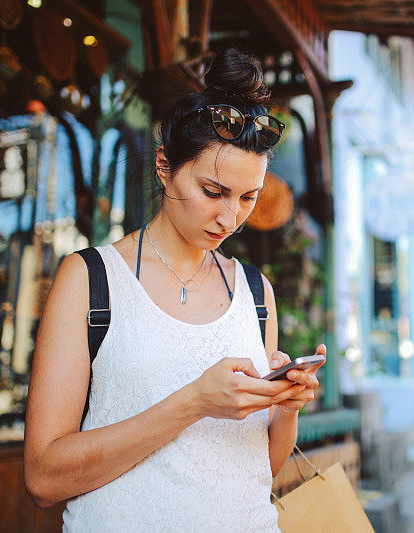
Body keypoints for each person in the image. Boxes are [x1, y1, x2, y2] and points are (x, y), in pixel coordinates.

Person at [23, 48, 326, 531]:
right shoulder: (91, 280)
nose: (230, 219)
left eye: (248, 197)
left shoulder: (254, 292)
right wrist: (195, 402)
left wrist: (285, 409)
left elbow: (258, 471)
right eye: (213, 192)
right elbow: (43, 478)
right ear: (164, 165)